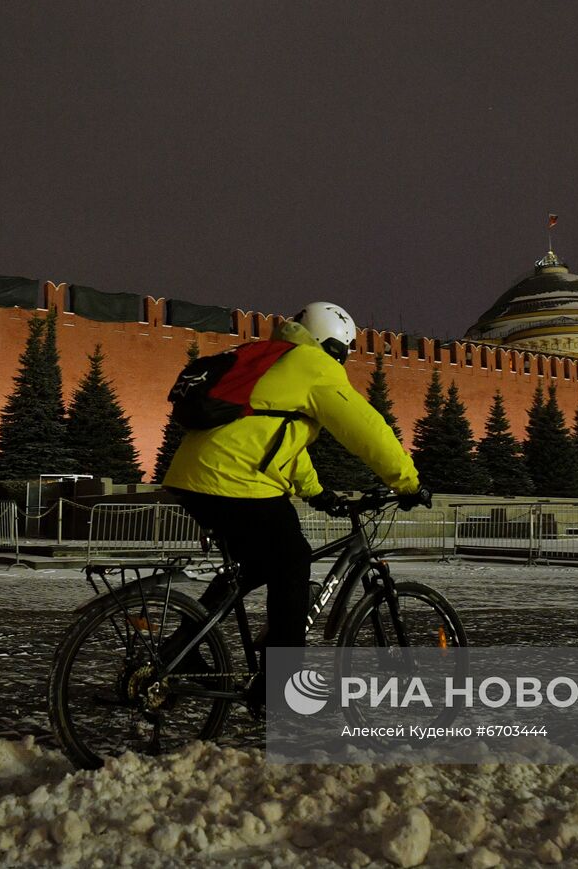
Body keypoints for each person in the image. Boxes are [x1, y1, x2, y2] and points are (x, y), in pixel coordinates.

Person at [163, 301, 426, 713]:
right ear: (333, 345)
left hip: (194, 478)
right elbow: (364, 426)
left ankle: (183, 644)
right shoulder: (313, 364)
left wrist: (315, 492)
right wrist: (407, 482)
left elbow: (276, 436)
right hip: (234, 480)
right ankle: (279, 687)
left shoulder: (272, 357)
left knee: (254, 565)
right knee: (292, 558)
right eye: (343, 352)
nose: (342, 360)